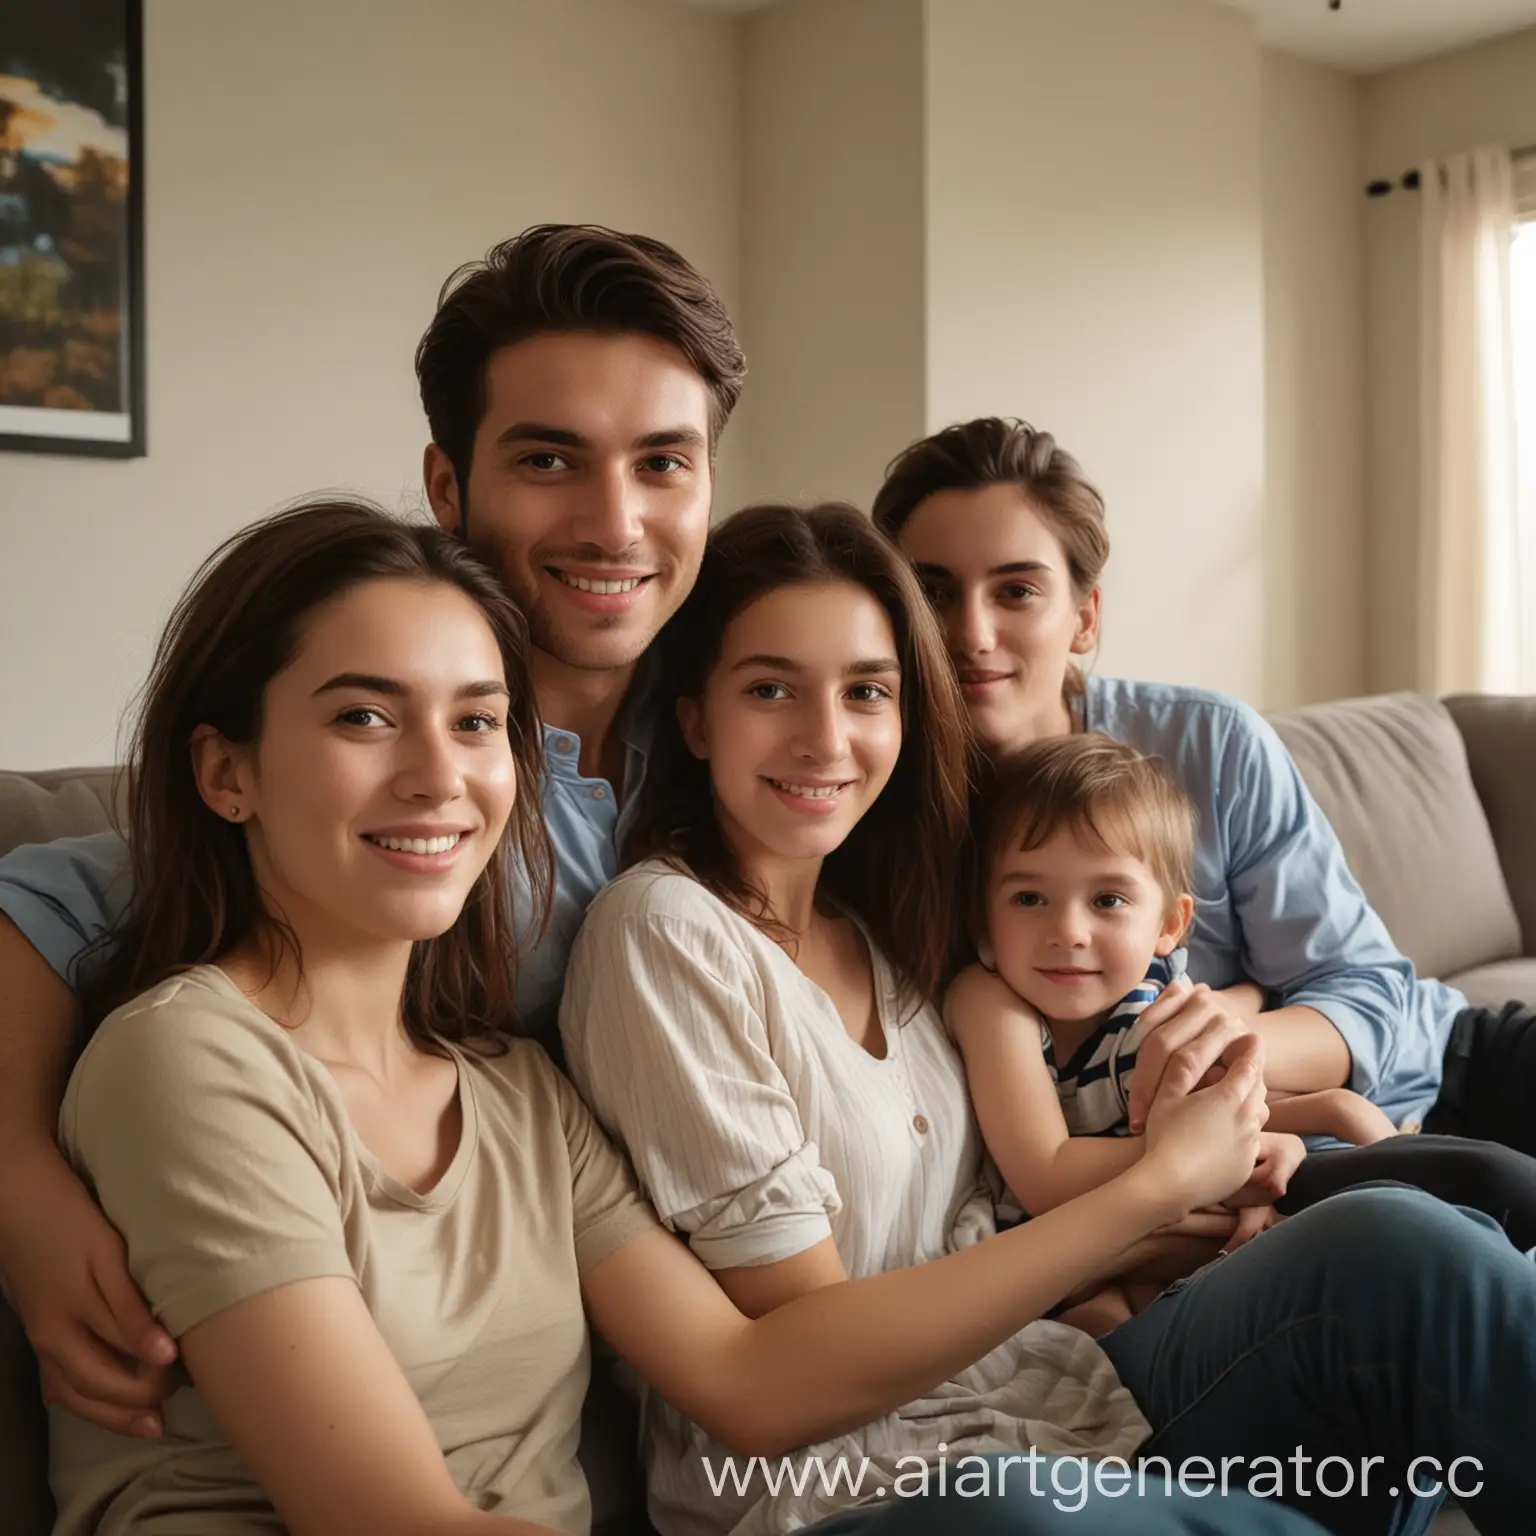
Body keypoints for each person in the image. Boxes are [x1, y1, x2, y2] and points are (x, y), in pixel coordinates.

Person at [50, 498, 1328, 1536]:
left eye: (480, 721)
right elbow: (392, 1518)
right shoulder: (194, 1056)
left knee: (1394, 1253)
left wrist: (1180, 1190)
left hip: (938, 1434)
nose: (440, 774)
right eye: (365, 716)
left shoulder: (512, 1090)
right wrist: (1148, 1190)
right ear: (225, 770)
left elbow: (749, 1383)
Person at [560, 501, 1536, 1536]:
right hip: (856, 1484)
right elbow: (801, 1339)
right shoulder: (666, 931)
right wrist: (1157, 1187)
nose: (826, 738)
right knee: (1026, 1516)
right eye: (770, 689)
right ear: (696, 717)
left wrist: (1202, 1211)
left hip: (1054, 1396)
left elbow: (1020, 1192)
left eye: (867, 692)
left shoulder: (899, 931)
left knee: (1403, 1247)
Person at [0, 223, 744, 1437]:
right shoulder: (378, 810)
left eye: (664, 463)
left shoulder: (748, 720)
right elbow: (48, 894)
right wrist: (18, 1178)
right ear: (449, 486)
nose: (617, 524)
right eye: (550, 460)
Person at [872, 415, 1536, 1250]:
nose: (971, 634)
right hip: (1265, 1169)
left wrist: (1221, 1038)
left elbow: (1371, 992)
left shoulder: (1208, 745)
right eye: (934, 591)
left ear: (1083, 616)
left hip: (1447, 1065)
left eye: (1017, 590)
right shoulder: (878, 826)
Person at [949, 733, 1406, 1334]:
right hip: (1062, 1249)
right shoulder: (990, 1000)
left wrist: (1332, 1113)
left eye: (1107, 899)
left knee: (1393, 1219)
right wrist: (1214, 1151)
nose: (1068, 931)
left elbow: (1239, 1071)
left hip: (1178, 1224)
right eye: (1030, 898)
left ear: (1169, 925)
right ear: (985, 916)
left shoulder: (1154, 1008)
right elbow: (1047, 1176)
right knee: (1102, 1322)